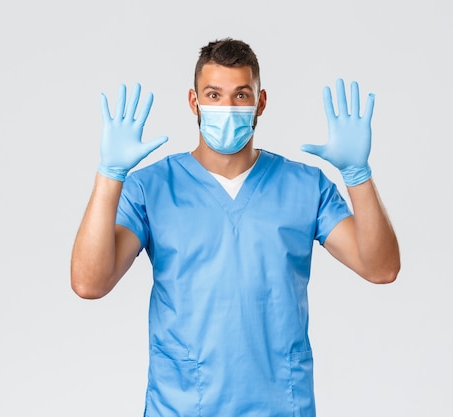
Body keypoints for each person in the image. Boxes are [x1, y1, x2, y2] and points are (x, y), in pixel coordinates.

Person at [71, 38, 400, 416]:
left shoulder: (306, 187)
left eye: (241, 96)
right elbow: (89, 283)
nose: (226, 108)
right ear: (194, 102)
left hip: (280, 406)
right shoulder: (151, 188)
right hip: (182, 406)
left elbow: (381, 268)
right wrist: (109, 176)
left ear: (260, 103)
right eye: (213, 95)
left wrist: (357, 175)